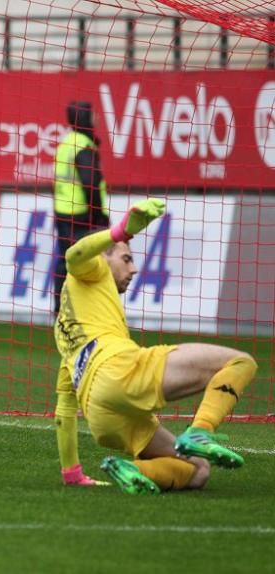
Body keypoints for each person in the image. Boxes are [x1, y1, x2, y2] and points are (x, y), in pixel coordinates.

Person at [53, 199, 257, 494]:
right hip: (120, 370)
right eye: (126, 259)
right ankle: (201, 431)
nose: (134, 268)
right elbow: (74, 254)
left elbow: (65, 409)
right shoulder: (90, 269)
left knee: (198, 471)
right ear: (103, 258)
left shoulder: (67, 330)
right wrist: (119, 231)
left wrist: (71, 471)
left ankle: (132, 469)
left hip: (101, 416)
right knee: (240, 363)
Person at [52, 101, 111, 313]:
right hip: (81, 214)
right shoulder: (84, 146)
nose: (97, 118)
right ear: (86, 118)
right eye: (93, 114)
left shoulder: (66, 143)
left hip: (63, 211)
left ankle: (60, 308)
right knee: (84, 262)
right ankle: (80, 308)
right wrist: (98, 217)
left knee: (64, 260)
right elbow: (91, 184)